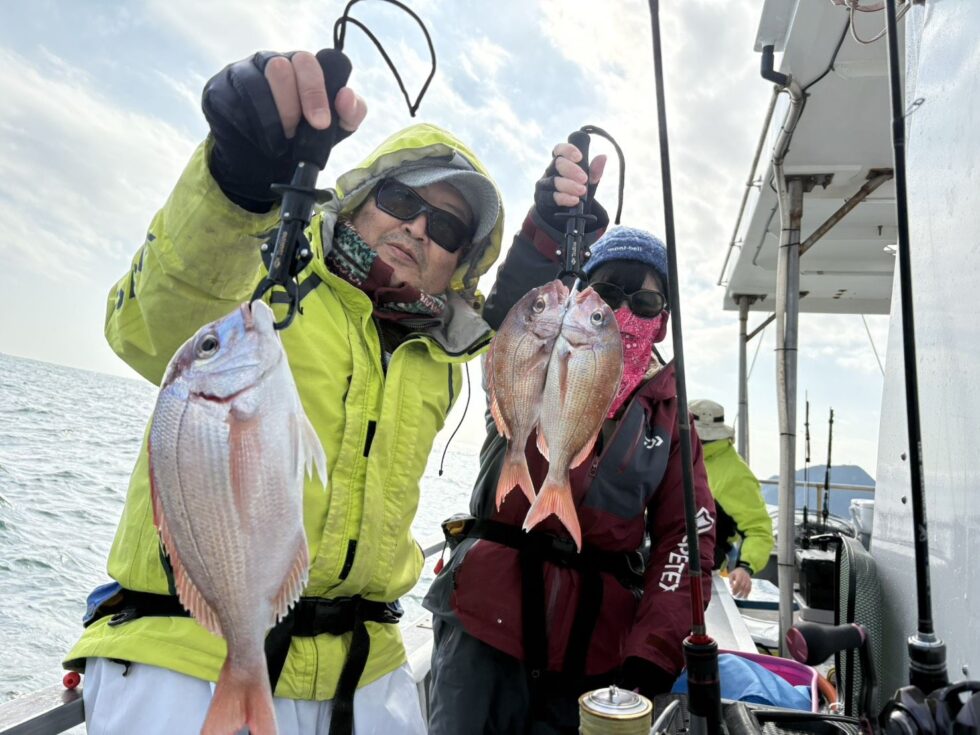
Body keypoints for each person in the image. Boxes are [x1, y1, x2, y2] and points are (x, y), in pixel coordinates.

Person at [63, 51, 504, 735]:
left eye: (446, 228)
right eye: (402, 200)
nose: (418, 227)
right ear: (358, 200)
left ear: (459, 265)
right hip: (187, 653)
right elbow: (149, 328)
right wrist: (234, 185)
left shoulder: (440, 356)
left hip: (367, 673)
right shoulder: (271, 278)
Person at [424, 141, 717, 734]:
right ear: (584, 295)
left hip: (596, 657)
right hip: (485, 623)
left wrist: (653, 652)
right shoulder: (539, 348)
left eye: (646, 299)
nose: (625, 309)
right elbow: (512, 317)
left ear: (662, 319)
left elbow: (685, 544)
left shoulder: (671, 421)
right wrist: (545, 235)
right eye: (609, 290)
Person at [689, 399, 774, 598]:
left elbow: (758, 530)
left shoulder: (737, 475)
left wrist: (745, 567)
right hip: (663, 558)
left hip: (706, 571)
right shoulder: (677, 453)